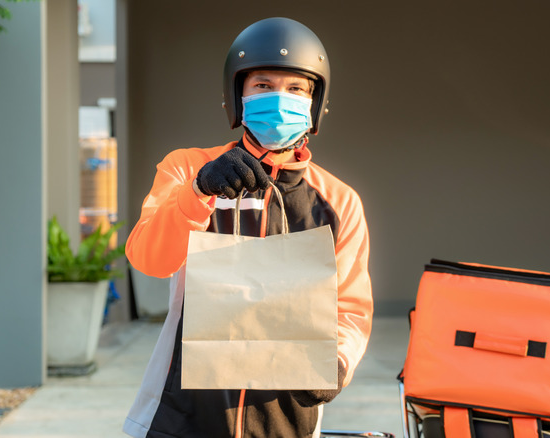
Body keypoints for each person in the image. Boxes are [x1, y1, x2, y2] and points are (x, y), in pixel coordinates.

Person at [122, 17, 373, 438]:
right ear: (236, 96)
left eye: (296, 89)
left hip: (286, 421)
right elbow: (148, 258)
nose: (279, 98)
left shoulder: (338, 201)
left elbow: (349, 307)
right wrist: (199, 189)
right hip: (181, 416)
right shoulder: (187, 167)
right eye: (263, 85)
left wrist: (338, 363)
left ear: (315, 104)